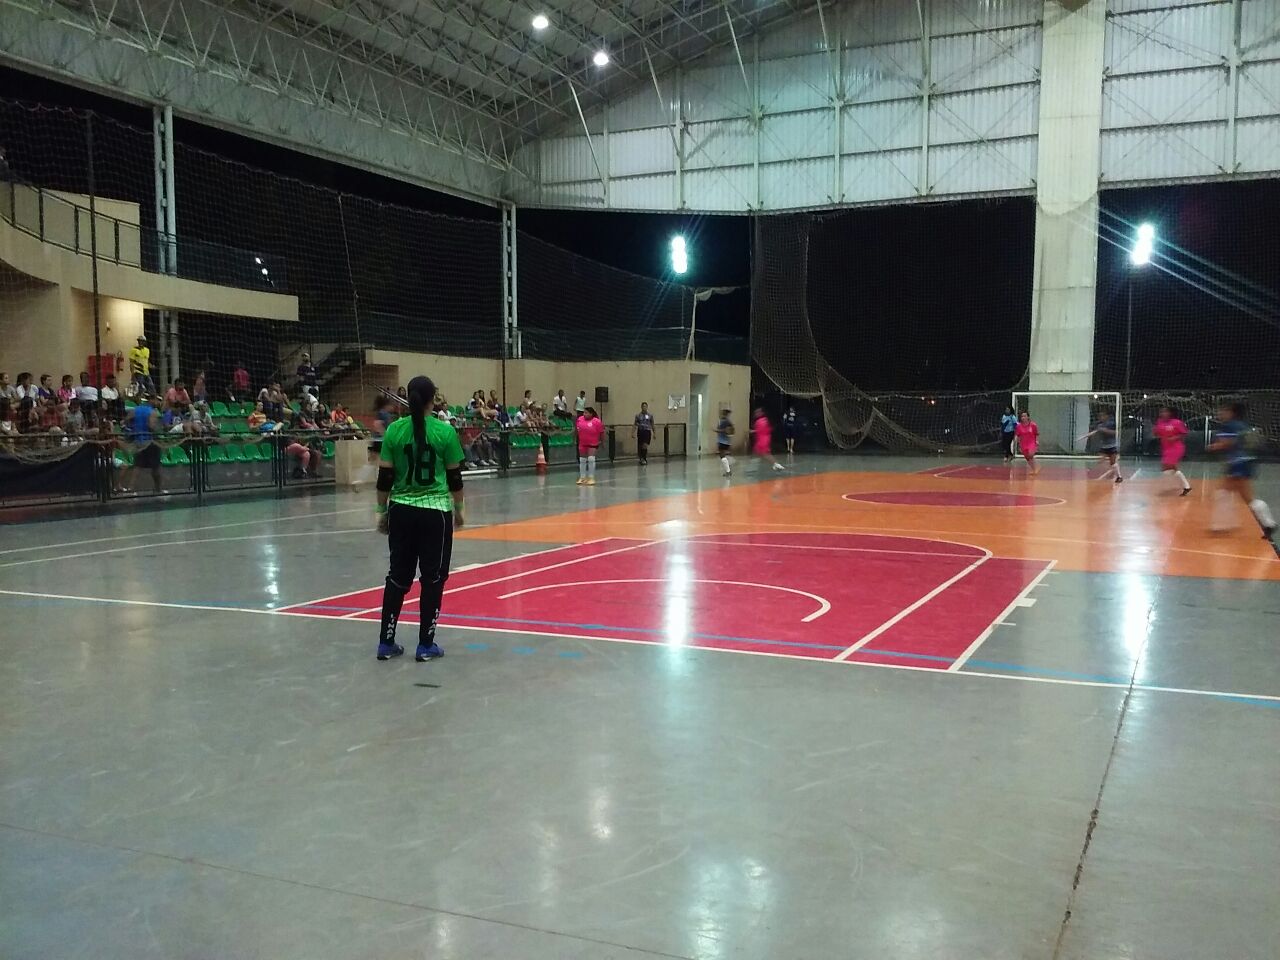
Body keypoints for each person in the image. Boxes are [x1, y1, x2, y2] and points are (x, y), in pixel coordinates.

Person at [374, 375, 466, 662]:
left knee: (397, 576)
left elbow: (385, 477)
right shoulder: (444, 432)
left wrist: (381, 511)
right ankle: (426, 644)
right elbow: (454, 477)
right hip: (435, 512)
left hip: (401, 510)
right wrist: (459, 509)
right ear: (432, 400)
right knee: (433, 578)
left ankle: (386, 642)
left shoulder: (394, 430)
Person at [1207, 401, 1275, 539]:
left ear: (1232, 412)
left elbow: (1226, 443)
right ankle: (1224, 523)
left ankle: (1268, 523)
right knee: (1225, 492)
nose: (1220, 413)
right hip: (1247, 462)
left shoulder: (1229, 425)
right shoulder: (1244, 425)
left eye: (1224, 411)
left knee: (1236, 495)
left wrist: (1213, 447)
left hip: (1238, 463)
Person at [122, 395, 163, 495]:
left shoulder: (135, 410)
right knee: (156, 467)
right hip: (150, 442)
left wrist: (133, 428)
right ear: (152, 400)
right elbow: (151, 426)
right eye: (157, 400)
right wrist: (158, 429)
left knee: (137, 466)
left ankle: (131, 488)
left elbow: (125, 421)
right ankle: (158, 489)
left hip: (138, 442)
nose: (158, 402)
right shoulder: (152, 412)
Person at [1152, 406, 1192, 495]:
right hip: (1166, 448)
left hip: (1176, 447)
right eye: (1161, 412)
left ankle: (1185, 486)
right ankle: (1186, 486)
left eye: (1165, 412)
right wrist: (1155, 432)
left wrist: (1174, 437)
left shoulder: (1176, 422)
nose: (1163, 414)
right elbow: (1156, 433)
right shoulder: (1160, 423)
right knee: (1168, 469)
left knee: (1169, 466)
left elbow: (1184, 433)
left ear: (1170, 413)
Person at [1080, 413, 1123, 483]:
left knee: (1113, 462)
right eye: (1100, 417)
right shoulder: (1100, 425)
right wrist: (1084, 436)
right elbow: (1095, 432)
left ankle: (1119, 476)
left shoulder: (1111, 423)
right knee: (1101, 460)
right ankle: (1111, 471)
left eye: (1102, 416)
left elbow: (1114, 432)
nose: (1101, 418)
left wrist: (1104, 430)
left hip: (1112, 446)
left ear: (1106, 416)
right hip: (1104, 446)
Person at [575, 406, 605, 485]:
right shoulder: (580, 419)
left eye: (586, 413)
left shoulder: (596, 421)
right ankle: (582, 477)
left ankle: (591, 477)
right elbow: (577, 430)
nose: (584, 414)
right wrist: (575, 438)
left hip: (593, 443)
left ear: (591, 414)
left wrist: (602, 442)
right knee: (582, 460)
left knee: (591, 459)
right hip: (582, 443)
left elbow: (601, 432)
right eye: (584, 413)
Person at [1015, 411, 1040, 475]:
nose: (1023, 418)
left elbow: (1036, 434)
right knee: (1027, 457)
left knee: (1030, 454)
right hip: (1023, 443)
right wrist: (1018, 443)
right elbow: (1018, 435)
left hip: (1031, 442)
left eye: (1025, 416)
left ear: (1028, 417)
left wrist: (1037, 441)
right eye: (1022, 416)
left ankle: (1036, 467)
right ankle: (1034, 469)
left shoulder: (1033, 425)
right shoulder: (1019, 426)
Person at [716, 408, 735, 477]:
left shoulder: (727, 421)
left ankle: (728, 471)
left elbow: (731, 431)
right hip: (722, 440)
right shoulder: (721, 421)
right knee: (723, 456)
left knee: (722, 456)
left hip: (724, 441)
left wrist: (719, 431)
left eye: (723, 413)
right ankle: (728, 469)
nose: (722, 414)